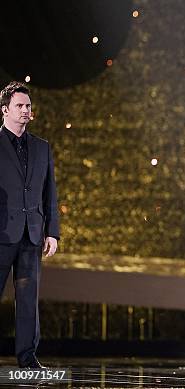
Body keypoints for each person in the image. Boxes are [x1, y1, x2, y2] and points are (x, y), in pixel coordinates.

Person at [0, 81, 60, 368]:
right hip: (1, 233)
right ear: (5, 110)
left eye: (28, 107)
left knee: (27, 301)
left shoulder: (41, 147)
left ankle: (27, 357)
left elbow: (50, 192)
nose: (25, 111)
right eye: (19, 106)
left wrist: (53, 231)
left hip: (31, 234)